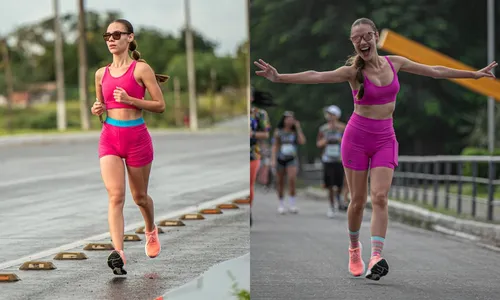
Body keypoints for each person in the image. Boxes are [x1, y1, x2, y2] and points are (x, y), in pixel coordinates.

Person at [254, 17, 497, 280]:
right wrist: (279, 77)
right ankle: (354, 248)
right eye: (356, 38)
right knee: (357, 202)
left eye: (366, 35)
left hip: (385, 138)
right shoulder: (352, 73)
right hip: (356, 138)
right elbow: (317, 75)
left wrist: (472, 74)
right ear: (352, 43)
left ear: (375, 35)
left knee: (380, 197)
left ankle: (376, 256)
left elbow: (435, 70)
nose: (362, 41)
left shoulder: (396, 63)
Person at [91, 19, 169, 275]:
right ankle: (119, 254)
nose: (111, 39)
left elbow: (160, 105)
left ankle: (150, 230)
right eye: (107, 36)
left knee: (140, 198)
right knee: (116, 196)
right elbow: (101, 107)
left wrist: (131, 99)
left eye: (116, 34)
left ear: (130, 38)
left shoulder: (141, 69)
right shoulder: (100, 74)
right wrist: (97, 109)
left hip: (137, 138)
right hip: (110, 136)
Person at [271, 111, 306, 214]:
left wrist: (298, 128)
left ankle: (292, 204)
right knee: (280, 182)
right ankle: (281, 204)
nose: (289, 121)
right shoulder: (279, 131)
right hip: (281, 158)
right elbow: (275, 145)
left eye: (291, 119)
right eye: (287, 118)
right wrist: (273, 159)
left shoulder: (295, 132)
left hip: (292, 158)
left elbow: (302, 141)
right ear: (284, 120)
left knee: (292, 179)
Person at [317, 105, 347, 218]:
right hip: (327, 159)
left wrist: (339, 140)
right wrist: (326, 140)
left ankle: (339, 198)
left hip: (339, 159)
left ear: (337, 116)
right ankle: (331, 205)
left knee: (339, 184)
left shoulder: (343, 128)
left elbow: (349, 142)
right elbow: (318, 143)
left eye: (332, 114)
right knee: (329, 184)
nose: (329, 117)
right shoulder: (323, 129)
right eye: (328, 115)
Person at [250, 87, 273, 226]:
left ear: (251, 98)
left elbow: (265, 134)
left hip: (252, 153)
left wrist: (251, 134)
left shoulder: (260, 114)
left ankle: (248, 209)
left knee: (249, 184)